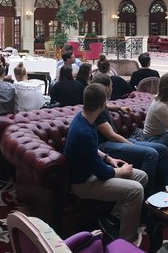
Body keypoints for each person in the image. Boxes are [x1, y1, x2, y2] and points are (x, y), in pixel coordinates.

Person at [64, 83, 148, 246]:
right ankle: (126, 241)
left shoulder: (83, 118)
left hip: (92, 173)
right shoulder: (84, 131)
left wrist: (108, 158)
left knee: (142, 176)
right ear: (103, 105)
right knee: (136, 190)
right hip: (83, 183)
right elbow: (102, 173)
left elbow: (92, 150)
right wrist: (122, 171)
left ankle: (113, 219)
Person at [92, 74, 168, 196]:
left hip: (118, 141)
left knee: (162, 149)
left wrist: (120, 108)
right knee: (151, 154)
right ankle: (147, 198)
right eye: (111, 85)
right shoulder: (95, 110)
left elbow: (106, 106)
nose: (113, 88)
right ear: (106, 88)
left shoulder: (100, 103)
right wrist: (131, 144)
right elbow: (112, 136)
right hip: (107, 146)